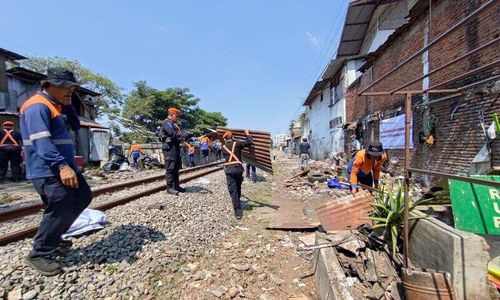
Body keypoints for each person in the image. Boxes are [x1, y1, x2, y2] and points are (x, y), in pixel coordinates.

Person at [19, 68, 92, 276]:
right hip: (48, 169)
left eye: (72, 87)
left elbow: (76, 126)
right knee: (60, 203)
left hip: (64, 166)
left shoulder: (55, 106)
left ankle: (55, 235)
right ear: (49, 85)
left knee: (83, 196)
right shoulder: (36, 106)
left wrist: (68, 106)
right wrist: (61, 165)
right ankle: (39, 253)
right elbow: (42, 141)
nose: (70, 90)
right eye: (65, 87)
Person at [222, 130, 253, 219]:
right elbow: (250, 142)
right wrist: (247, 134)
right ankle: (238, 200)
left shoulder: (223, 147)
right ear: (232, 137)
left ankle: (237, 211)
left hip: (229, 170)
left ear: (225, 139)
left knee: (233, 190)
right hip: (238, 169)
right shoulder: (237, 144)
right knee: (238, 186)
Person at [159, 107, 188, 195]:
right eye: (176, 116)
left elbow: (177, 135)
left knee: (176, 168)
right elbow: (173, 134)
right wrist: (184, 136)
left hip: (175, 147)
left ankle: (176, 186)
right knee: (171, 168)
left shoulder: (173, 124)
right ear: (171, 115)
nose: (177, 118)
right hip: (169, 148)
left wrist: (185, 136)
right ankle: (169, 188)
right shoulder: (167, 123)